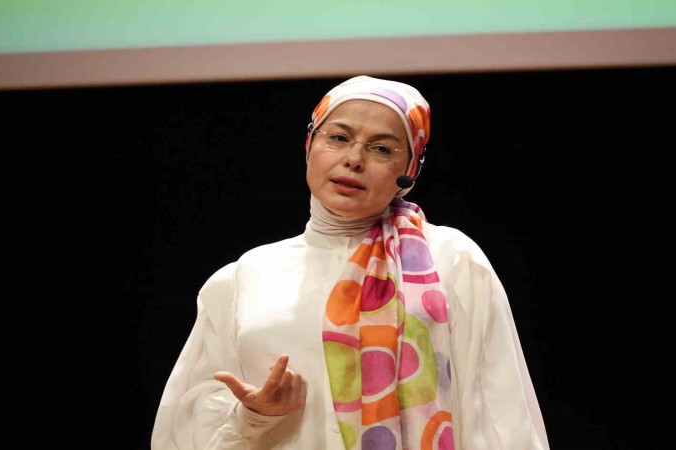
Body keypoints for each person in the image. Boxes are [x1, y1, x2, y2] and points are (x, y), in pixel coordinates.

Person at [151, 75, 549, 449]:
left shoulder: (452, 260)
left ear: (410, 170)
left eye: (382, 148)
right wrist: (253, 416)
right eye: (338, 138)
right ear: (310, 144)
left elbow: (500, 409)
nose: (354, 159)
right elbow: (183, 427)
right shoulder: (244, 277)